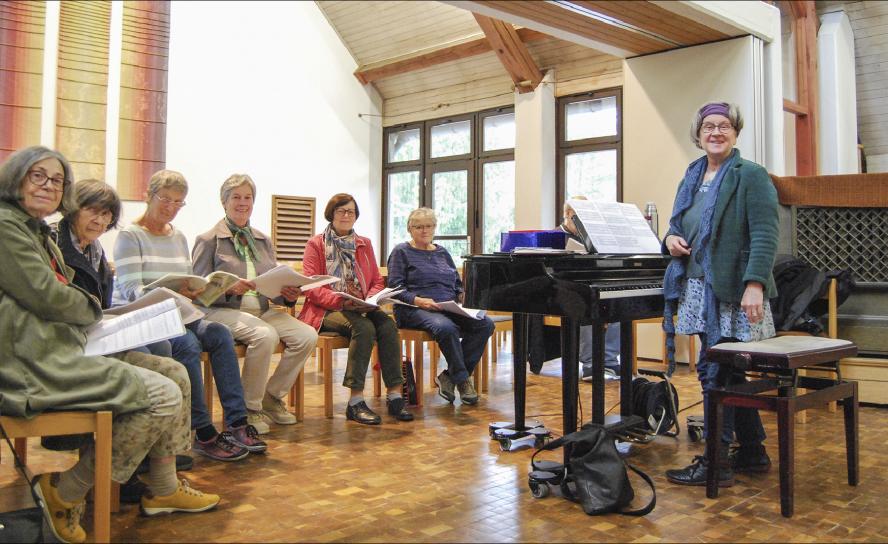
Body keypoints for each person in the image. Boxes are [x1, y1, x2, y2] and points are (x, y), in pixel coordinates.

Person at [0, 147, 219, 544]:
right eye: (38, 176)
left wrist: (89, 309)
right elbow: (53, 296)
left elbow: (65, 296)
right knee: (163, 393)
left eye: (56, 180)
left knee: (174, 370)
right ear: (15, 176)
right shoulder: (8, 228)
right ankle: (66, 491)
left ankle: (164, 485)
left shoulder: (32, 229)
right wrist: (90, 308)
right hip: (31, 361)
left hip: (59, 345)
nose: (48, 186)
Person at [49, 178, 192, 497]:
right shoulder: (53, 243)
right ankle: (106, 478)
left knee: (176, 371)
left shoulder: (95, 249)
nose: (99, 221)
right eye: (92, 211)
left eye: (105, 215)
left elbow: (98, 307)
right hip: (67, 351)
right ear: (73, 207)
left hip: (93, 343)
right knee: (164, 386)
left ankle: (164, 483)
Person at [662, 102, 778, 487]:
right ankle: (752, 452)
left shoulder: (751, 175)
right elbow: (678, 224)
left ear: (735, 133)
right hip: (698, 287)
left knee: (714, 371)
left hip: (734, 289)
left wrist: (755, 283)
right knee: (726, 372)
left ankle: (716, 463)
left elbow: (765, 233)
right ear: (698, 135)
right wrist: (671, 239)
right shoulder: (691, 175)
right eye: (709, 126)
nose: (716, 132)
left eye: (724, 126)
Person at [113, 169, 266, 460]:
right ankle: (204, 432)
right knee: (189, 344)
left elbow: (186, 280)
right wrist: (169, 292)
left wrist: (195, 291)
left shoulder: (178, 237)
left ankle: (236, 422)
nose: (171, 208)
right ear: (149, 196)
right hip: (146, 317)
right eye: (165, 200)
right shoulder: (130, 236)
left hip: (177, 312)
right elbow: (131, 289)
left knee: (220, 333)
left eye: (178, 202)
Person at [192, 174, 318, 433]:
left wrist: (288, 294)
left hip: (263, 308)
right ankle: (249, 409)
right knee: (264, 335)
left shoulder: (262, 240)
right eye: (236, 197)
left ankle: (271, 397)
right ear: (223, 201)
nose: (242, 202)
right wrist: (229, 289)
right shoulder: (208, 240)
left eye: (247, 197)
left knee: (306, 335)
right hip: (220, 310)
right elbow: (198, 292)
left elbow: (272, 284)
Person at [298, 193, 412, 424]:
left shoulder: (364, 243)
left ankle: (395, 395)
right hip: (328, 309)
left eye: (350, 211)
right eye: (341, 211)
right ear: (331, 214)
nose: (346, 215)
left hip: (362, 306)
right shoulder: (316, 244)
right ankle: (355, 401)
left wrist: (371, 297)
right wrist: (340, 301)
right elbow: (310, 286)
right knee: (364, 329)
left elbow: (377, 280)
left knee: (388, 326)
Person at [387, 207, 494, 405]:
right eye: (418, 227)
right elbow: (394, 289)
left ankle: (449, 376)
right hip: (413, 308)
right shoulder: (401, 251)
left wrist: (463, 300)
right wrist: (419, 300)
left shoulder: (443, 252)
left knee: (485, 324)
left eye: (428, 226)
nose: (424, 230)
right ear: (410, 229)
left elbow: (456, 284)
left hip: (447, 307)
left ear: (435, 228)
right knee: (446, 327)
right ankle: (462, 380)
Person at [560, 197, 621, 381]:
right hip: (564, 290)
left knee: (616, 305)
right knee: (587, 305)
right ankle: (590, 365)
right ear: (569, 214)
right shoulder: (556, 235)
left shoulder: (589, 236)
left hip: (589, 285)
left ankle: (609, 362)